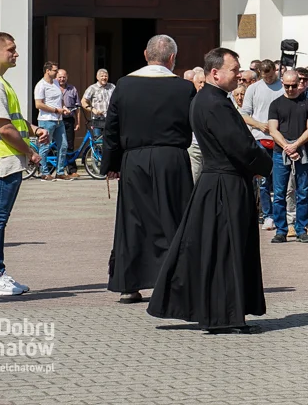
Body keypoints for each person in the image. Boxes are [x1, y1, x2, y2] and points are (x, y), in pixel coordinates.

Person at [148, 48, 273, 333]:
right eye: (234, 69)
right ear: (215, 73)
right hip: (223, 184)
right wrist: (266, 164)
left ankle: (227, 312)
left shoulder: (211, 99)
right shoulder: (214, 103)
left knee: (223, 248)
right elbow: (239, 145)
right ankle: (223, 315)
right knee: (225, 249)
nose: (239, 74)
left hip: (220, 182)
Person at [102, 35, 196, 305]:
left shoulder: (124, 84)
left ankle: (129, 285)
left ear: (145, 54)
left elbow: (112, 127)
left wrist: (111, 164)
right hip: (172, 158)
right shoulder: (183, 88)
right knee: (174, 218)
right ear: (172, 58)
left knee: (133, 221)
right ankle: (174, 281)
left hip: (135, 159)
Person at [0, 32, 49, 296]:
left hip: (5, 160)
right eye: (11, 49)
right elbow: (3, 127)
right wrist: (30, 152)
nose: (16, 54)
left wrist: (32, 128)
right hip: (1, 160)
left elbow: (11, 120)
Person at [267, 70, 308, 244]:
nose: (291, 89)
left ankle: (301, 228)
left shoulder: (307, 103)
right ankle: (281, 230)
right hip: (281, 152)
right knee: (279, 193)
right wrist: (287, 146)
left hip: (302, 150)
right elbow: (273, 129)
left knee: (303, 192)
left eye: (294, 85)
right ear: (282, 83)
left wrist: (296, 145)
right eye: (287, 86)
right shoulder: (276, 104)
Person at [241, 60, 284, 230]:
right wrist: (259, 125)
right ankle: (268, 215)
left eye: (271, 76)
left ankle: (283, 216)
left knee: (281, 182)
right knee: (264, 181)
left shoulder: (283, 87)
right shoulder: (253, 89)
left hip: (280, 139)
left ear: (276, 71)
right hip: (260, 137)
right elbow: (244, 114)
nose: (268, 79)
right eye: (265, 77)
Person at [34, 61, 69, 181]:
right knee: (45, 146)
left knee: (63, 145)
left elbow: (60, 99)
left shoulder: (55, 82)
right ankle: (44, 172)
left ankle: (60, 171)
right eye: (54, 70)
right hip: (46, 120)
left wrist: (63, 108)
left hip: (58, 119)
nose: (57, 72)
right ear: (47, 71)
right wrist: (55, 110)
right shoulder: (41, 85)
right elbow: (38, 104)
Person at [56, 68, 80, 177]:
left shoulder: (72, 89)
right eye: (60, 77)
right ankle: (51, 168)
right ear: (56, 77)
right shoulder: (53, 88)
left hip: (69, 120)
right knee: (54, 145)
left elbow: (78, 107)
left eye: (64, 77)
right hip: (56, 119)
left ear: (67, 77)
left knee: (69, 145)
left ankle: (72, 170)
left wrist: (78, 122)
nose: (62, 79)